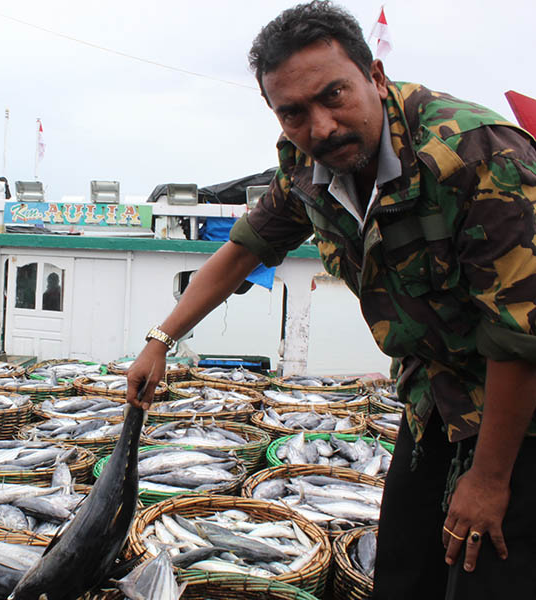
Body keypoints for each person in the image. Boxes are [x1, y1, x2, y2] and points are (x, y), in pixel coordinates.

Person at [124, 3, 536, 598]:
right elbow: (244, 249)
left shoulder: (480, 156)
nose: (320, 127)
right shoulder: (306, 168)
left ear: (374, 77)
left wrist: (492, 478)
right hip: (434, 399)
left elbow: (518, 334)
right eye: (294, 113)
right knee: (400, 573)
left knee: (488, 578)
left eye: (334, 95)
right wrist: (160, 340)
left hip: (518, 415)